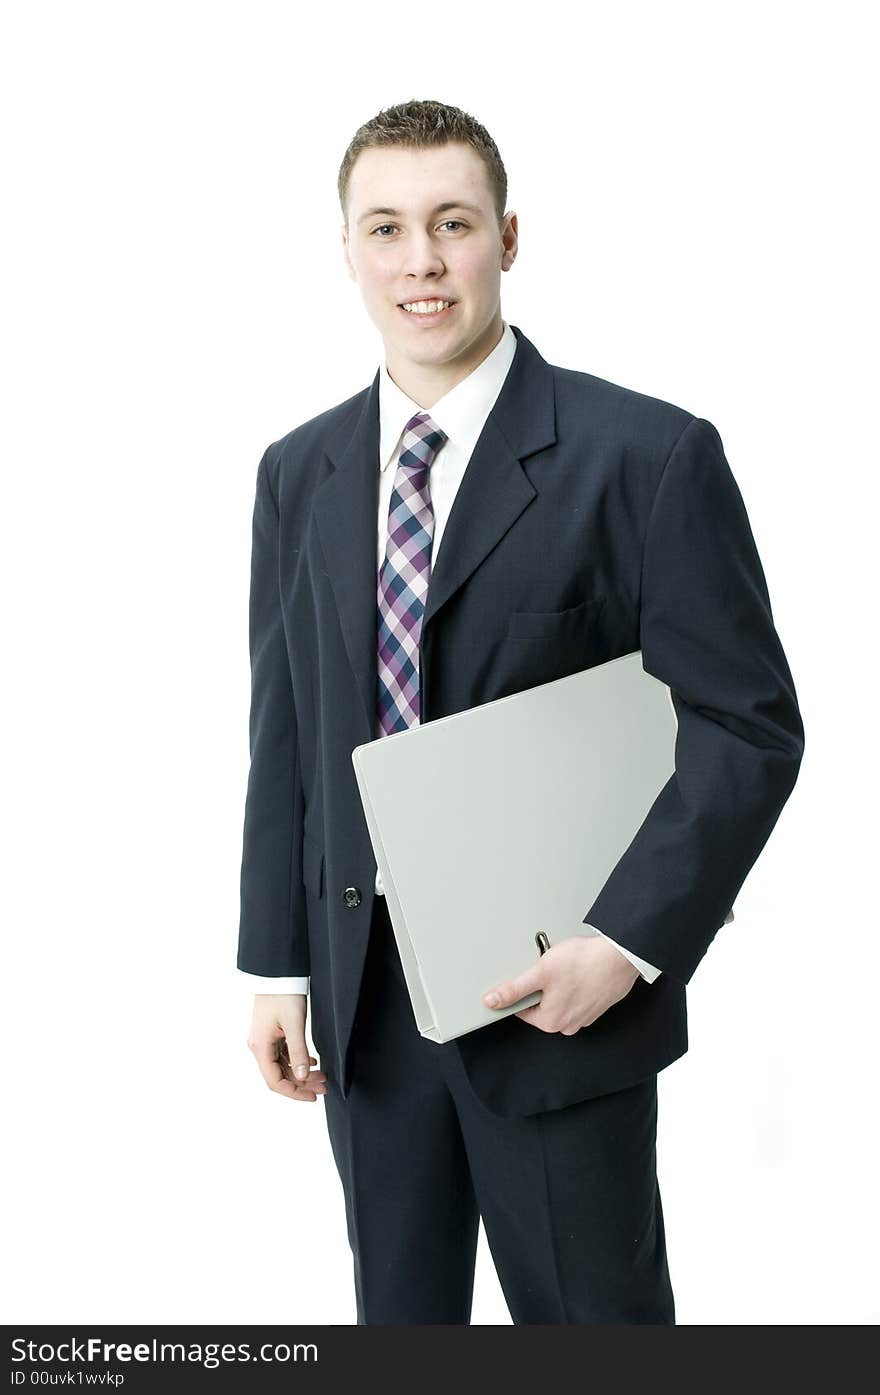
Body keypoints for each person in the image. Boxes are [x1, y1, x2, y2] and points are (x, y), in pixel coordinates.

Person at [237, 98, 804, 1324]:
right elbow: (285, 730)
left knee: (594, 1326)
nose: (421, 261)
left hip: (562, 996)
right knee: (401, 1323)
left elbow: (747, 726)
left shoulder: (642, 456)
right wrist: (274, 958)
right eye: (385, 228)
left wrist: (629, 941)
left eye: (452, 223)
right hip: (367, 1009)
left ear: (507, 235)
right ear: (347, 251)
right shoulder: (301, 472)